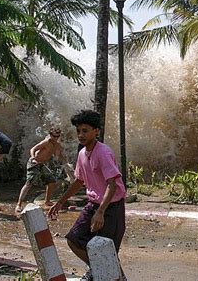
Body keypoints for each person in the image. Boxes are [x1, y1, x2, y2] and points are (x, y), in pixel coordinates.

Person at [48, 110, 126, 281]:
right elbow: (78, 181)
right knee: (74, 239)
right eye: (78, 131)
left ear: (96, 131)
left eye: (85, 130)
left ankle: (115, 276)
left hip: (111, 207)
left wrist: (101, 212)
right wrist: (60, 201)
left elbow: (112, 185)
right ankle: (98, 268)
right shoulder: (82, 153)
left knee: (106, 249)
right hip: (93, 204)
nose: (81, 135)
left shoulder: (103, 153)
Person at [15, 127, 66, 213]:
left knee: (52, 182)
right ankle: (19, 204)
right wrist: (33, 157)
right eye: (54, 136)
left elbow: (60, 155)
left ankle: (47, 200)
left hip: (44, 165)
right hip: (34, 163)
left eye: (57, 136)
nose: (55, 138)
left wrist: (65, 163)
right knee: (29, 184)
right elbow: (33, 149)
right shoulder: (46, 142)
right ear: (50, 135)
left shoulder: (57, 145)